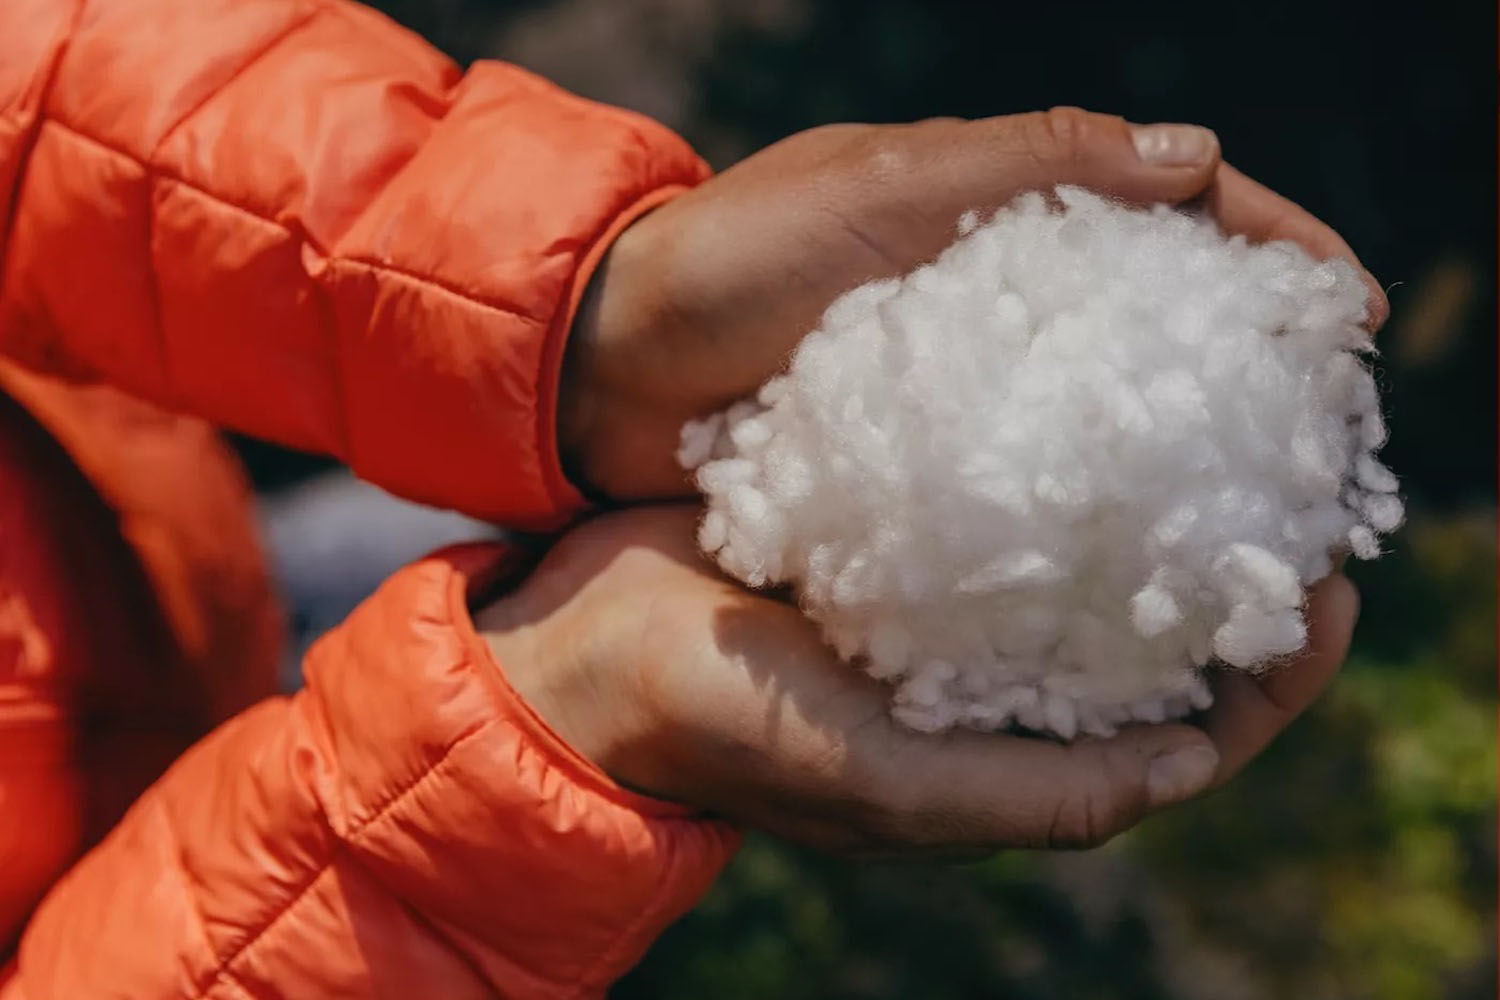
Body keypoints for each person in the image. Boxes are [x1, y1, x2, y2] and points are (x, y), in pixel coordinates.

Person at [0, 0, 1380, 996]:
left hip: (135, 516)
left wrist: (577, 315)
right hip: (145, 870)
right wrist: (523, 747)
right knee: (481, 601)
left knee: (379, 560)